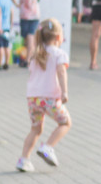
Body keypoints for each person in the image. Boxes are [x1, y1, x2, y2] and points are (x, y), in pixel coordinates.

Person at [17, 19, 71, 172]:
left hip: (33, 98)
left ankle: (24, 159)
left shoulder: (35, 54)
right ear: (59, 37)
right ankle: (48, 147)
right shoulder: (59, 54)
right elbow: (61, 72)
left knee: (35, 129)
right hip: (50, 97)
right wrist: (64, 91)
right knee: (65, 123)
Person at [11, 0, 43, 67]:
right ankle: (30, 58)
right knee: (31, 36)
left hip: (24, 14)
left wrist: (17, 4)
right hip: (35, 14)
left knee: (27, 36)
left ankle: (27, 59)